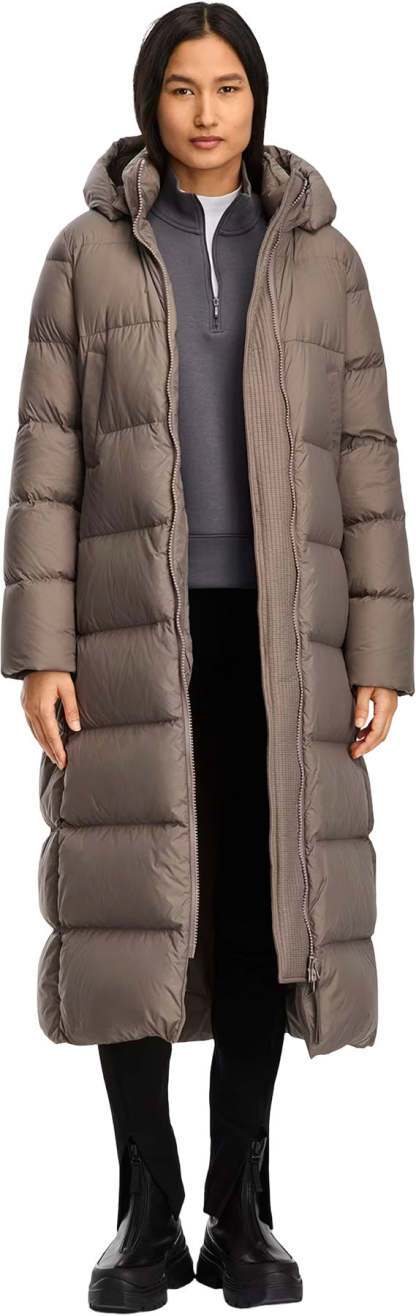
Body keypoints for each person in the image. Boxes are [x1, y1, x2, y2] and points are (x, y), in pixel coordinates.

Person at [1, 4, 414, 1311]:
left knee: (255, 913)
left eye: (226, 86)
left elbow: (368, 467)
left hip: (282, 637)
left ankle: (243, 1207)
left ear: (257, 98)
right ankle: (144, 1207)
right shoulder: (85, 255)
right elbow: (46, 461)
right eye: (181, 89)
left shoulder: (328, 261)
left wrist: (381, 649)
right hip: (129, 626)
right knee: (128, 910)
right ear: (151, 102)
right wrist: (40, 650)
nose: (205, 113)